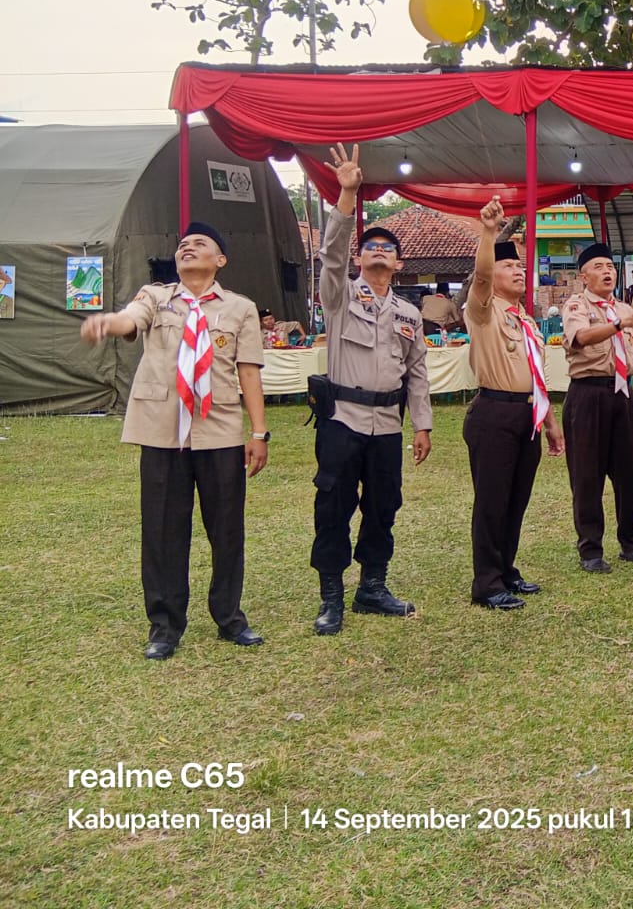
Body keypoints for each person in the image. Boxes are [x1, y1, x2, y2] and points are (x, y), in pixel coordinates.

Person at [81, 222, 269, 659]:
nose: (188, 248)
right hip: (162, 430)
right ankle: (164, 625)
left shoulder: (239, 308)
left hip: (218, 428)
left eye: (199, 244)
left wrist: (259, 432)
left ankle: (229, 617)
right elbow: (132, 319)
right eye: (182, 244)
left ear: (220, 260)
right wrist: (111, 322)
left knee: (226, 529)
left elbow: (249, 371)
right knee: (163, 530)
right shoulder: (156, 296)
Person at [310, 144, 433, 636]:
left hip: (388, 424)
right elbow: (332, 256)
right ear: (359, 259)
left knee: (384, 506)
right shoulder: (339, 298)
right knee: (334, 506)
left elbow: (418, 373)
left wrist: (422, 423)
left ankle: (372, 587)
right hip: (342, 419)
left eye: (388, 249)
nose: (379, 251)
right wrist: (347, 194)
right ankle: (331, 597)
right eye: (371, 247)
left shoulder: (409, 314)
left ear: (400, 265)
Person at [463, 197, 566, 610]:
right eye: (511, 266)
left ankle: (506, 569)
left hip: (528, 413)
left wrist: (552, 422)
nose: (519, 270)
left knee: (516, 498)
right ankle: (486, 583)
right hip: (494, 413)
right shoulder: (484, 310)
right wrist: (489, 234)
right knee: (492, 500)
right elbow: (482, 277)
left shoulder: (525, 320)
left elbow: (536, 378)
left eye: (522, 266)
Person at [561, 240, 633, 573]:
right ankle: (590, 549)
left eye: (610, 267)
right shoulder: (576, 305)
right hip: (587, 395)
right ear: (583, 276)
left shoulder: (624, 309)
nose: (607, 272)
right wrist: (620, 324)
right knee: (587, 475)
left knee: (628, 472)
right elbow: (581, 338)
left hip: (622, 396)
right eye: (598, 267)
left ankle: (631, 544)